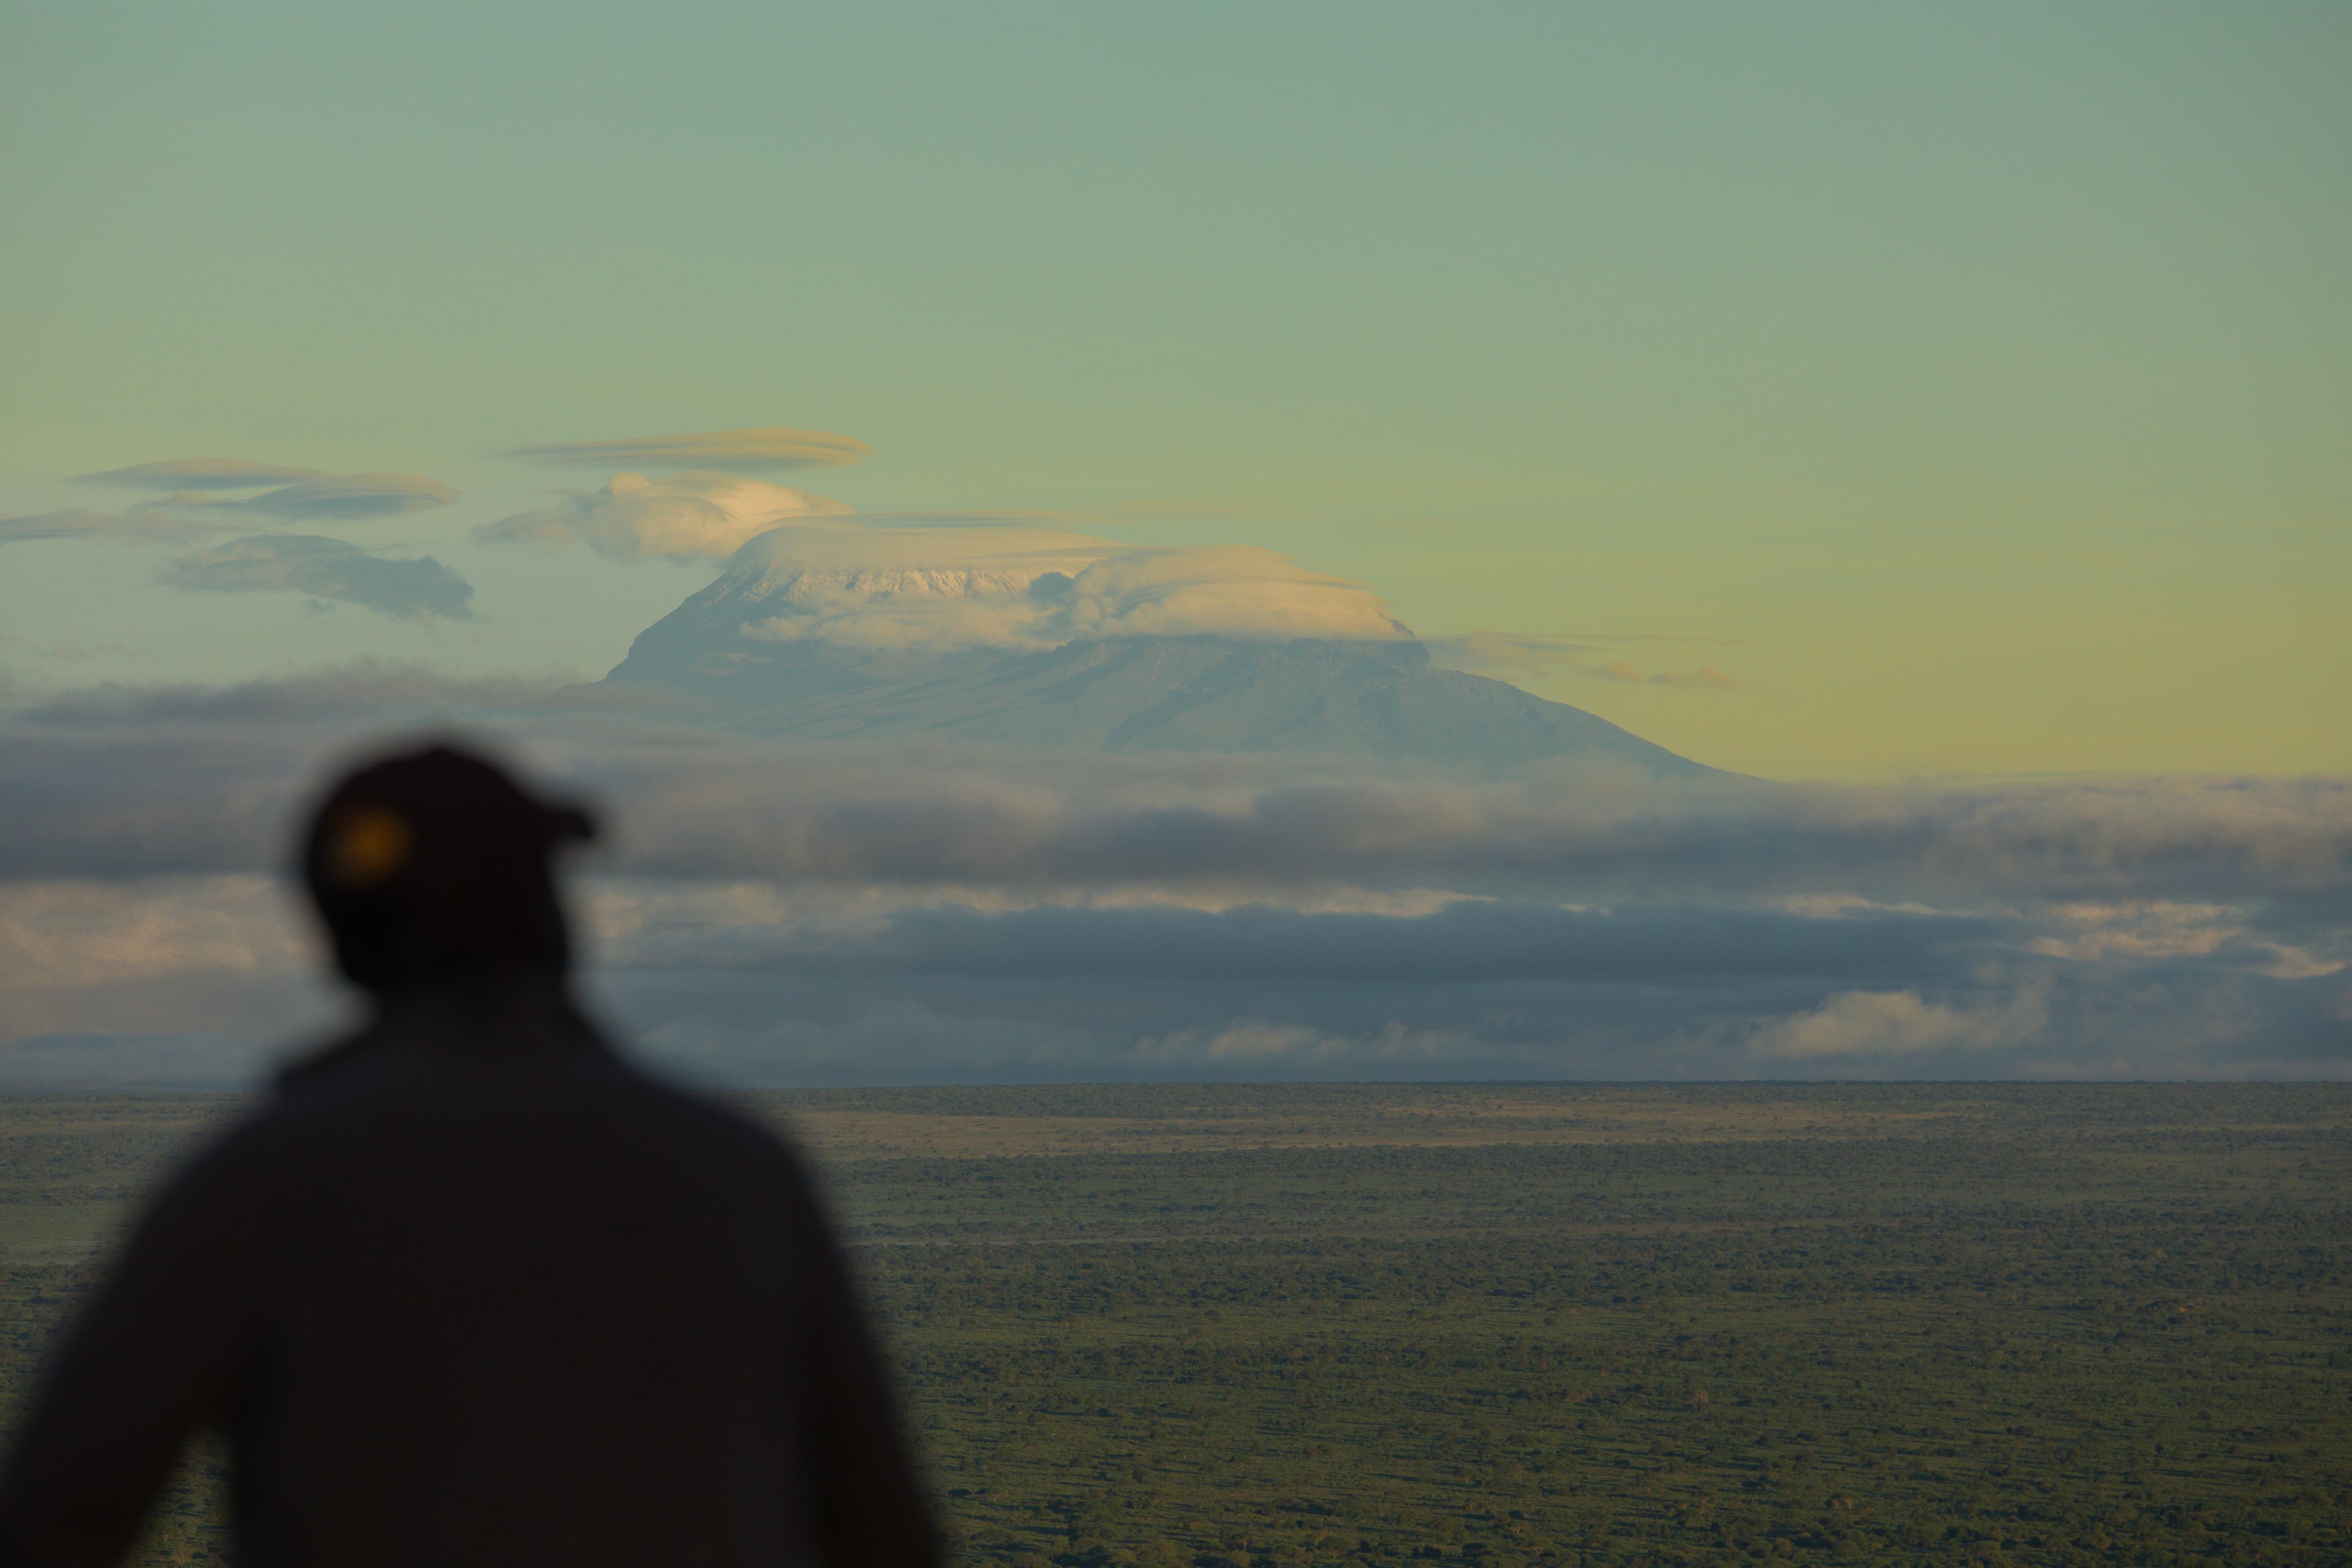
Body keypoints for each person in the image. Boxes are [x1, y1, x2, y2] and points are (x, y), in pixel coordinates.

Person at [0, 742, 940, 1568]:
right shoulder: (739, 1168)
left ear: (338, 935)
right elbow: (887, 1535)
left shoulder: (267, 1176)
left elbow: (51, 1519)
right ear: (542, 915)